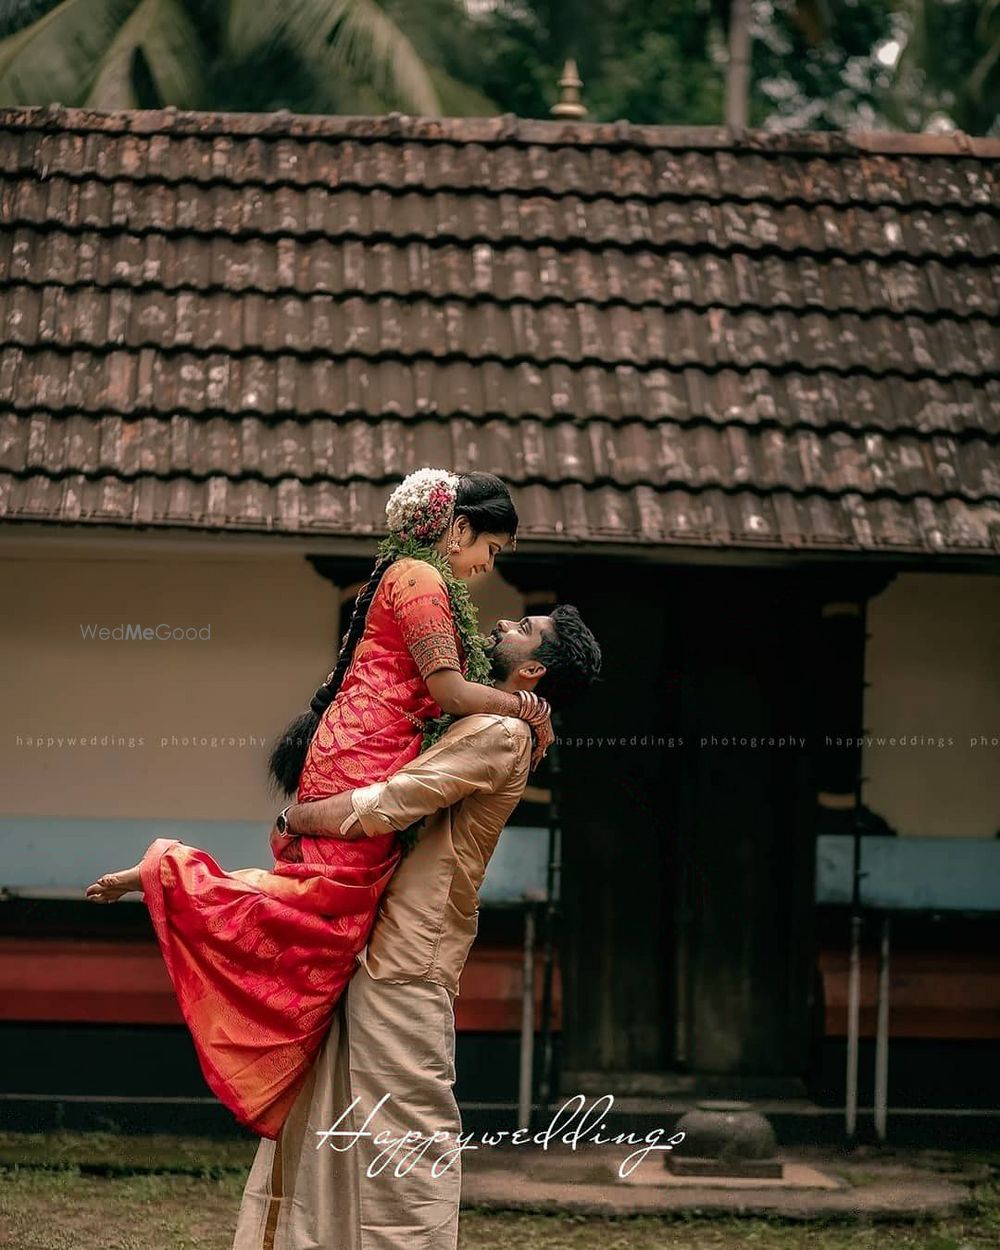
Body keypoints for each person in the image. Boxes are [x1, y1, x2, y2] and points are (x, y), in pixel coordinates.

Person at [83, 469, 555, 1140]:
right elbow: (449, 692)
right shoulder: (420, 580)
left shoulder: (421, 579)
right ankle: (173, 875)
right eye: (493, 550)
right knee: (317, 918)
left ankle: (175, 878)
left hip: (364, 749)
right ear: (459, 529)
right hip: (364, 753)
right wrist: (525, 705)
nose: (489, 564)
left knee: (317, 911)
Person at [231, 605, 602, 1250]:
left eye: (523, 629)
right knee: (333, 1115)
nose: (505, 623)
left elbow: (394, 802)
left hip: (410, 952)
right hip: (377, 938)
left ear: (535, 668)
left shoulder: (503, 734)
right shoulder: (494, 719)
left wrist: (299, 820)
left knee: (405, 1133)